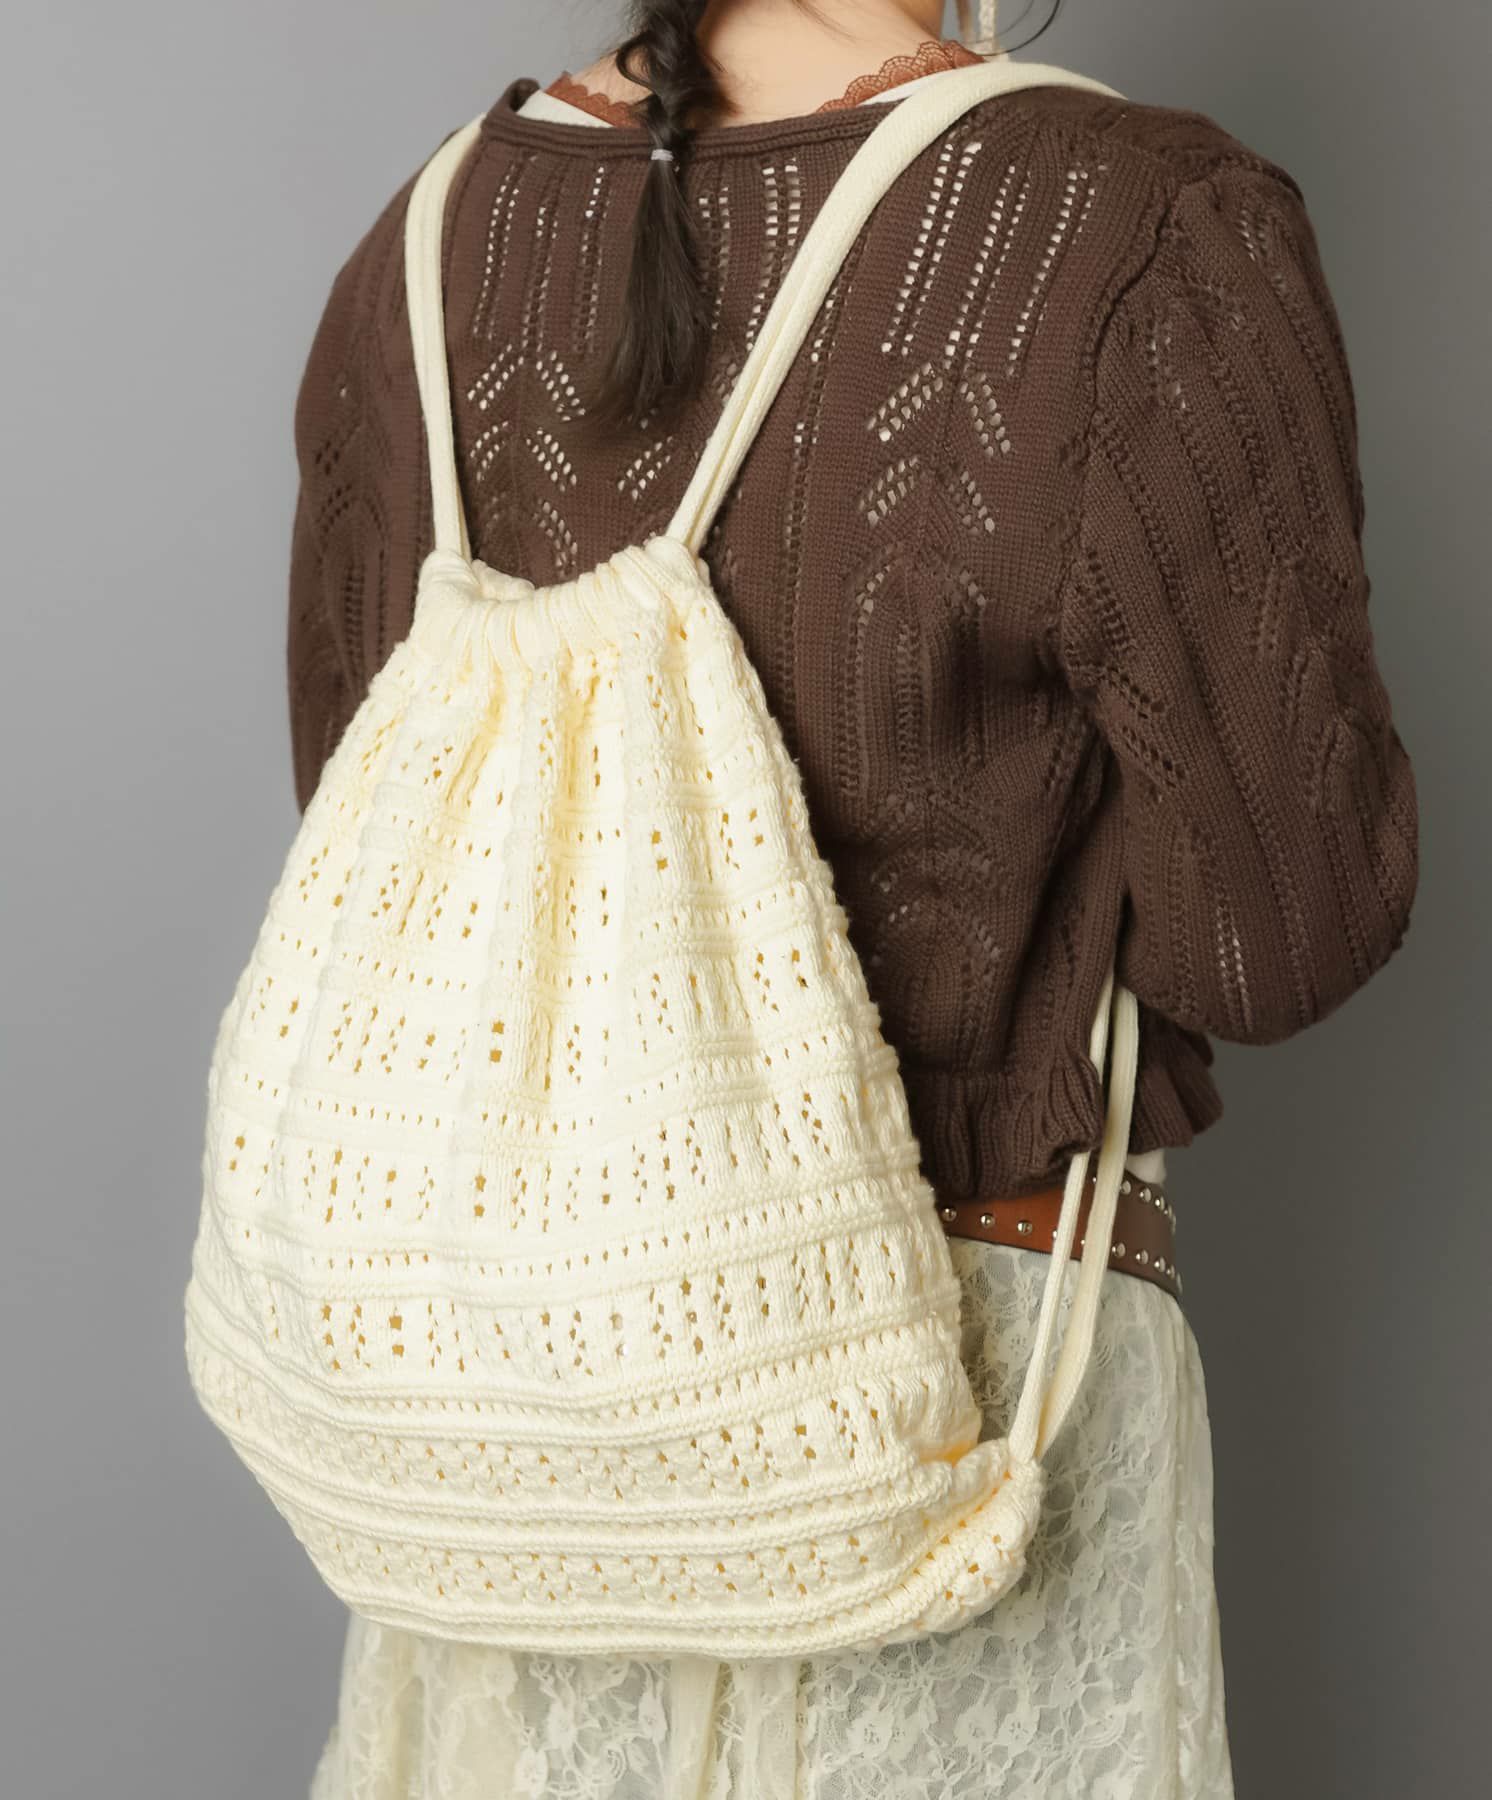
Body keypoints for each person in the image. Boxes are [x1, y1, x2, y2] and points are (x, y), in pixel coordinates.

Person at [286, 3, 1418, 1794]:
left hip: (516, 1395)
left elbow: (377, 842)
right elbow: (1277, 932)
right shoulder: (1134, 230)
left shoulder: (426, 245)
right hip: (957, 1400)